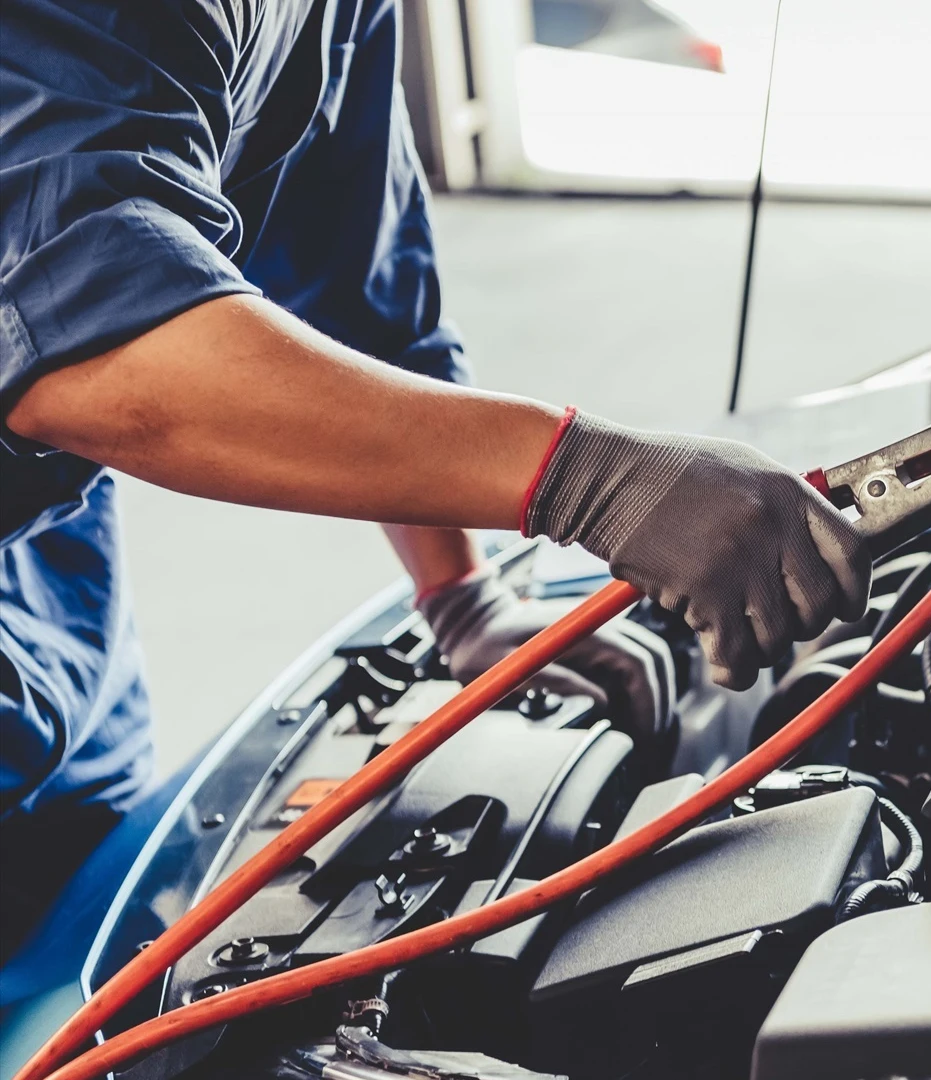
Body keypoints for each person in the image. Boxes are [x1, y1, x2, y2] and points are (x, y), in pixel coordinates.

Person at [0, 0, 868, 953]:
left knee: (75, 947)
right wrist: (593, 480)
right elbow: (86, 349)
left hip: (53, 585)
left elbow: (358, 288)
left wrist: (460, 595)